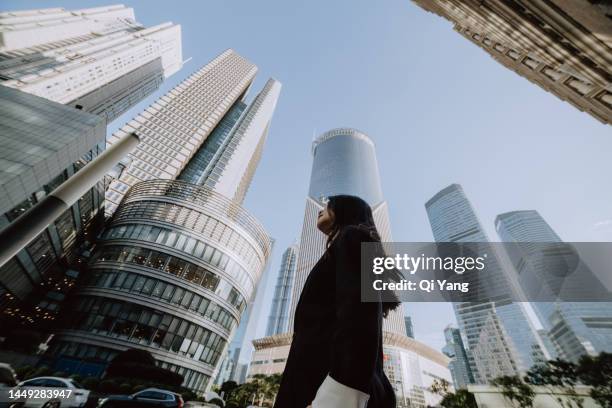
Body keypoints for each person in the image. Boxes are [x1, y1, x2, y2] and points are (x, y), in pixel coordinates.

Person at [274, 195, 399, 408]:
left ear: (345, 209)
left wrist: (339, 393)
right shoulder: (346, 245)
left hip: (326, 385)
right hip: (323, 382)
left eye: (327, 204)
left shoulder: (352, 237)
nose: (320, 209)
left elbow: (358, 315)